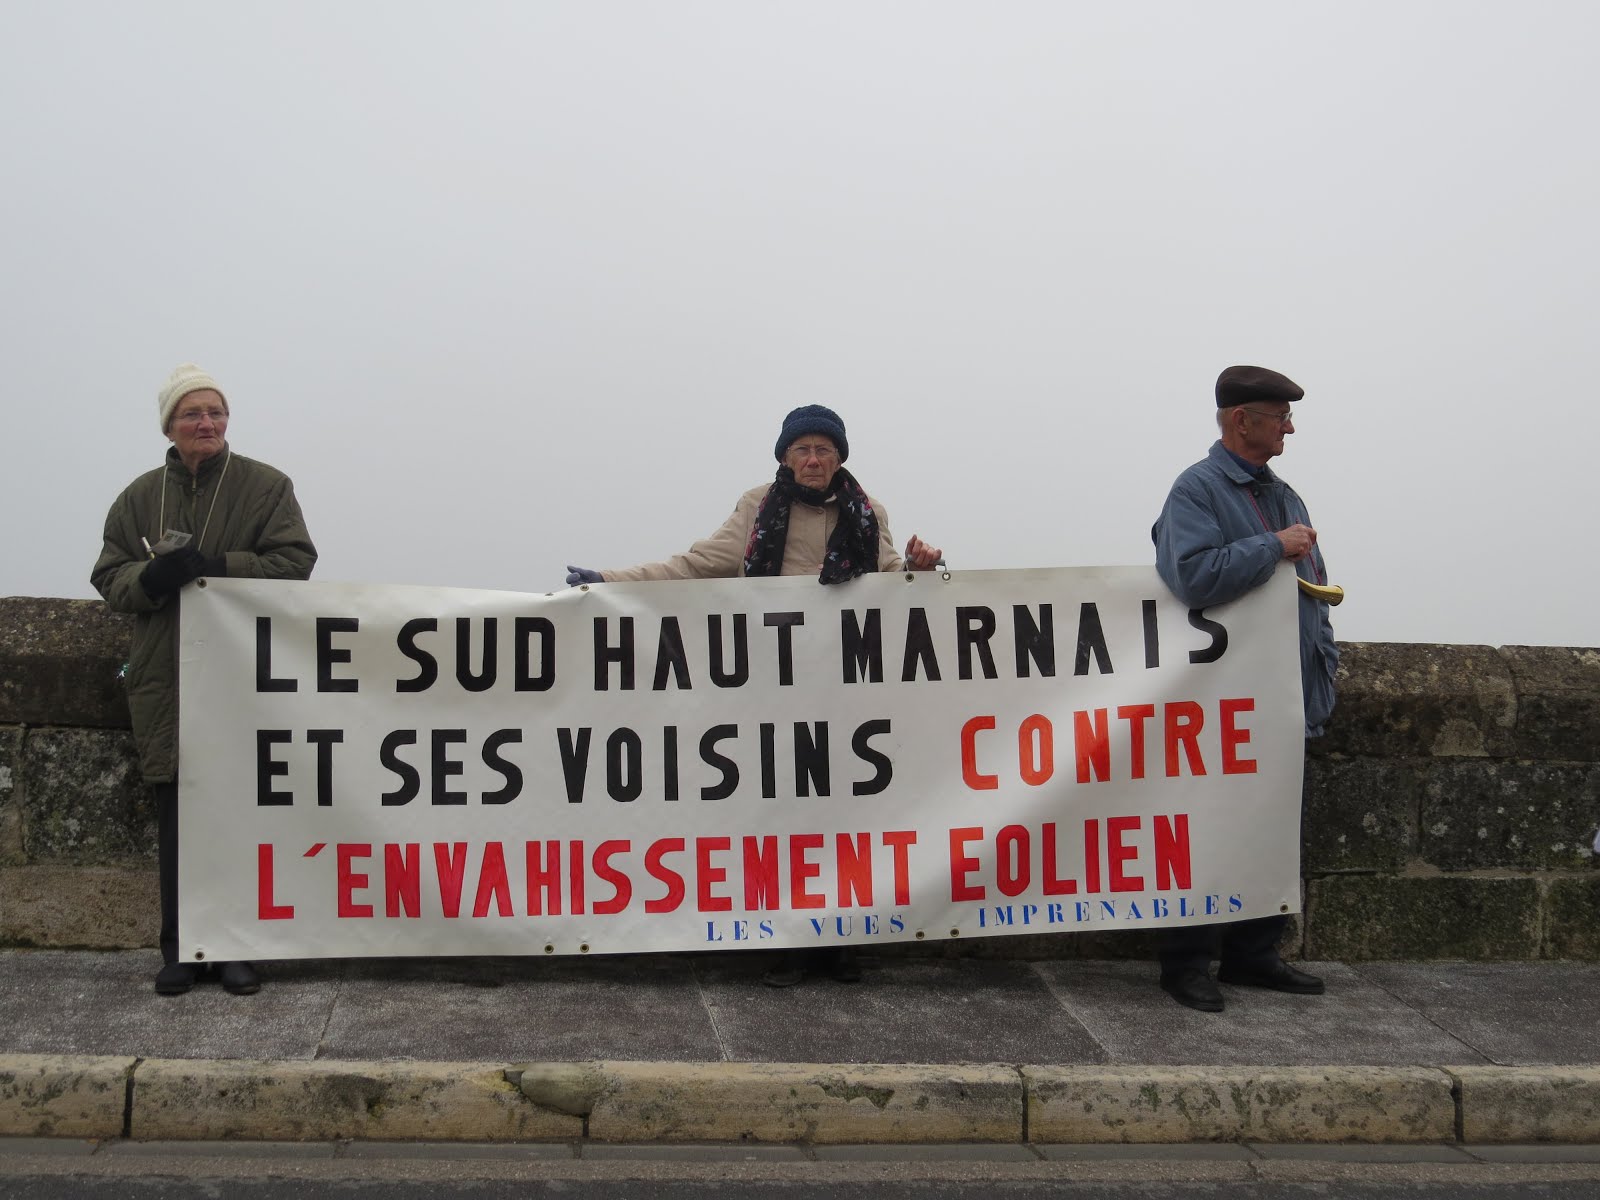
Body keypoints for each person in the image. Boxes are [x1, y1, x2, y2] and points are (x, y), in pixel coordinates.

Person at [566, 403, 943, 986]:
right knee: (786, 819)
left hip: (845, 692)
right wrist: (610, 582)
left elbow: (892, 580)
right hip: (774, 690)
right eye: (802, 450)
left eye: (823, 449)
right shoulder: (757, 508)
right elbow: (698, 565)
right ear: (785, 459)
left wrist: (919, 567)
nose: (814, 459)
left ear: (840, 457)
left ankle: (841, 945)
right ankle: (790, 944)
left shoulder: (869, 513)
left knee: (848, 818)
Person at [92, 364, 317, 997]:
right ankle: (181, 950)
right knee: (178, 819)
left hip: (244, 673)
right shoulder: (138, 495)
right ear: (170, 424)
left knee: (242, 813)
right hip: (166, 676)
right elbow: (109, 574)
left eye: (216, 412)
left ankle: (238, 946)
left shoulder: (267, 486)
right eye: (193, 414)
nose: (207, 423)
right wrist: (151, 580)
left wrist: (220, 567)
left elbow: (296, 561)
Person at [1150, 365, 1337, 1013]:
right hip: (1218, 700)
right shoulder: (1196, 491)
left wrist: (1324, 674)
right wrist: (1271, 545)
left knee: (1270, 833)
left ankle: (1254, 955)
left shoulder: (1286, 494)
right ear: (1241, 421)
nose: (1290, 426)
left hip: (1283, 700)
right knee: (1205, 830)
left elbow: (1314, 594)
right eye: (1279, 415)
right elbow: (1191, 577)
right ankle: (1185, 963)